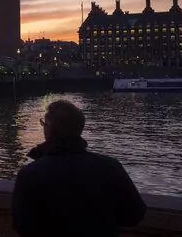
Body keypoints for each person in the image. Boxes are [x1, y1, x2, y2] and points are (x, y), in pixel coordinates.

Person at [11, 100, 146, 237]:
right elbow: (135, 214)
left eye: (44, 124)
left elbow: (22, 226)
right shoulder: (111, 166)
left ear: (50, 129)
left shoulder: (30, 174)